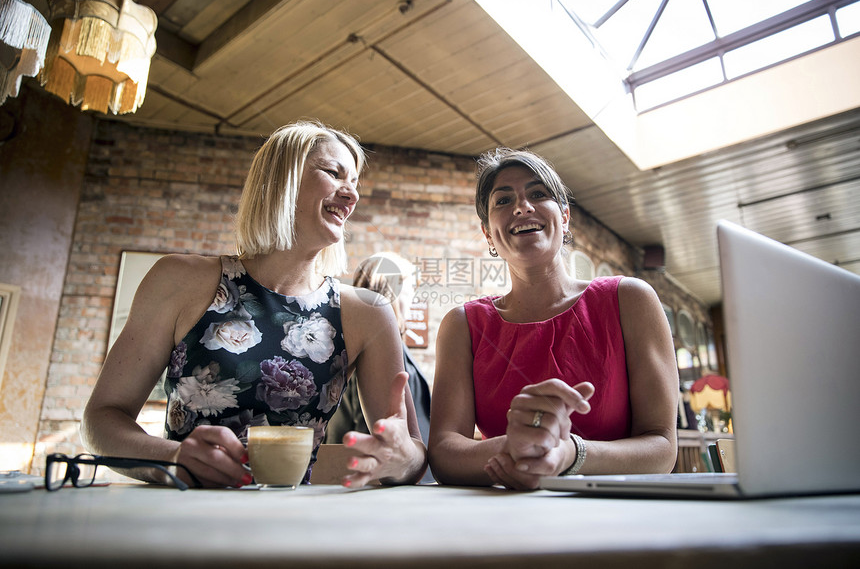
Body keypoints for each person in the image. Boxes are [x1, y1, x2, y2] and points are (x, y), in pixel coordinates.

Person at [82, 121, 428, 489]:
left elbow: (413, 457)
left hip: (295, 531)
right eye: (334, 173)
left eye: (356, 183)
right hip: (180, 520)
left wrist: (403, 457)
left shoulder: (369, 313)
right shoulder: (176, 280)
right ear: (283, 180)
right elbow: (101, 420)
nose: (352, 195)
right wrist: (174, 457)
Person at [428, 148, 678, 490]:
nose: (522, 207)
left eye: (537, 194)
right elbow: (443, 453)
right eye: (503, 200)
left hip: (618, 517)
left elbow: (662, 448)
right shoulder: (463, 325)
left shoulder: (630, 299)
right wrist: (517, 448)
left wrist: (568, 455)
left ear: (565, 216)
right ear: (488, 233)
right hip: (504, 520)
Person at [323, 252, 434, 483]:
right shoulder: (370, 351)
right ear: (395, 288)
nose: (414, 297)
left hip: (406, 477)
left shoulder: (384, 345)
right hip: (379, 481)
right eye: (411, 286)